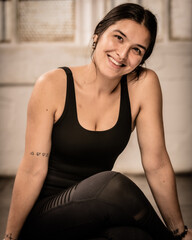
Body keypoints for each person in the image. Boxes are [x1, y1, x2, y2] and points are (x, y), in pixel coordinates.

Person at [3, 3, 192, 240]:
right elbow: (32, 170)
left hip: (97, 212)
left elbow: (157, 164)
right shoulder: (52, 84)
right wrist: (10, 237)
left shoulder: (143, 85)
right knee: (112, 183)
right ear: (97, 34)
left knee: (132, 235)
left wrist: (177, 224)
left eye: (137, 50)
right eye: (118, 38)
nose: (122, 54)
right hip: (46, 215)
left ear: (143, 58)